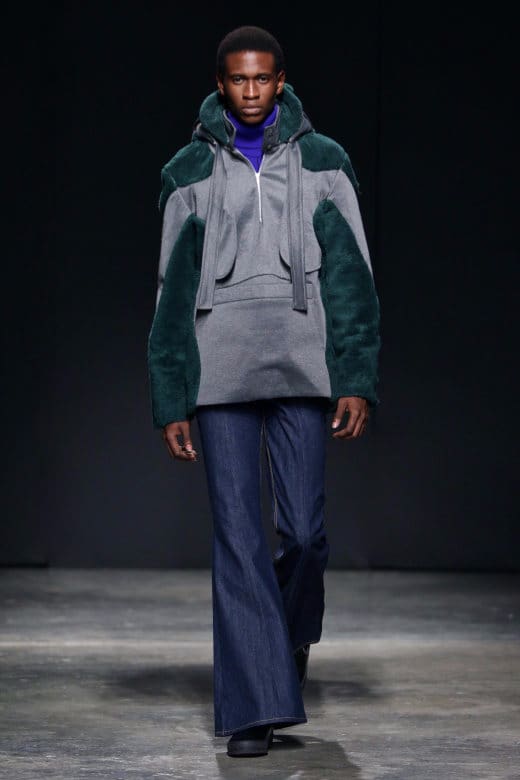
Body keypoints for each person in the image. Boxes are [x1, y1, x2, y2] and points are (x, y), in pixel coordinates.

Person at [147, 25, 381, 758]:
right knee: (239, 537)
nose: (250, 91)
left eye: (262, 78)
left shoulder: (325, 162)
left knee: (304, 533)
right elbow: (171, 289)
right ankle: (253, 707)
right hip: (220, 369)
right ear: (220, 84)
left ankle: (281, 640)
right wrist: (172, 395)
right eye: (237, 79)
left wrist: (355, 376)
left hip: (302, 365)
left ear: (281, 80)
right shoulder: (187, 171)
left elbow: (352, 275)